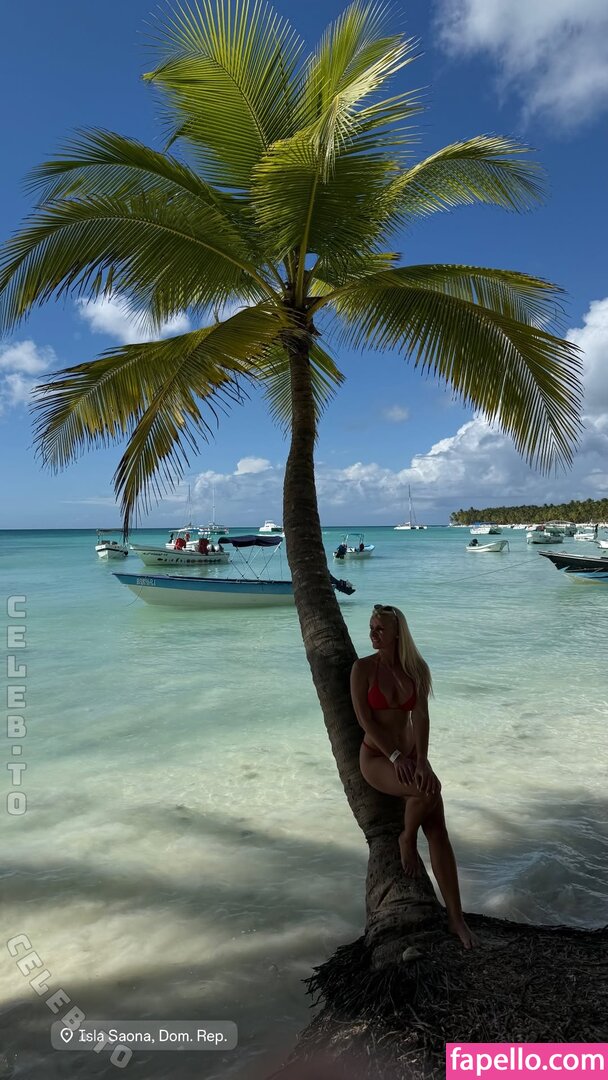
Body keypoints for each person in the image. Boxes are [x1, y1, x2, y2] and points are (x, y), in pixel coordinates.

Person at [350, 603, 475, 949]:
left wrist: (422, 761)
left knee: (438, 827)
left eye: (380, 629)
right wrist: (394, 757)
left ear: (397, 633)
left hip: (409, 758)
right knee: (424, 794)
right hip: (377, 758)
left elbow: (421, 718)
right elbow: (364, 720)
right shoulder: (363, 669)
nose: (373, 634)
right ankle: (406, 838)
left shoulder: (416, 669)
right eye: (371, 627)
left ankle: (456, 919)